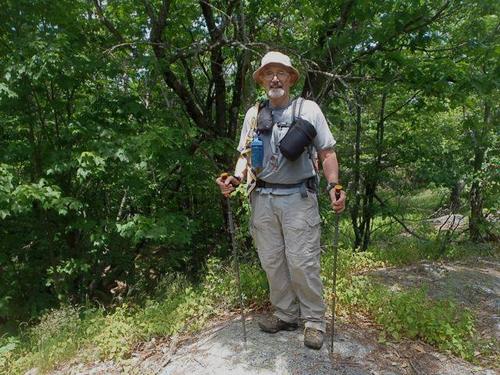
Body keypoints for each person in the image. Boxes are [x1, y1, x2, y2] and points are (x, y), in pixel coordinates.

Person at [216, 51, 346, 350]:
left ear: (290, 78)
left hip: (299, 198)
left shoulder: (308, 110)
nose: (275, 78)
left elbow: (327, 152)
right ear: (261, 79)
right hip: (261, 197)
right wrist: (234, 180)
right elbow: (245, 155)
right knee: (272, 261)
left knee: (302, 261)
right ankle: (285, 314)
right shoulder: (254, 114)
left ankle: (314, 320)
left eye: (281, 72)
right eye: (268, 73)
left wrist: (334, 186)